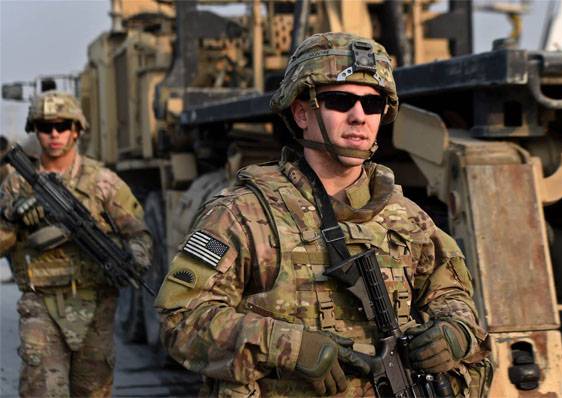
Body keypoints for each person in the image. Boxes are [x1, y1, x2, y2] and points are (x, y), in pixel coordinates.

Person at [155, 32, 492, 397]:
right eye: (339, 101)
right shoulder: (242, 215)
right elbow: (181, 320)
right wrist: (289, 346)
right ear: (302, 112)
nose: (359, 117)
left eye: (373, 104)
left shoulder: (409, 220)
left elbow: (455, 299)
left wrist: (454, 334)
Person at [0, 91, 152, 397]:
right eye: (45, 127)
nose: (54, 134)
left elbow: (140, 235)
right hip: (41, 304)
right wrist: (14, 218)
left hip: (96, 306)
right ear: (35, 130)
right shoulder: (16, 184)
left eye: (62, 125)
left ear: (77, 129)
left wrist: (132, 260)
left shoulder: (103, 182)